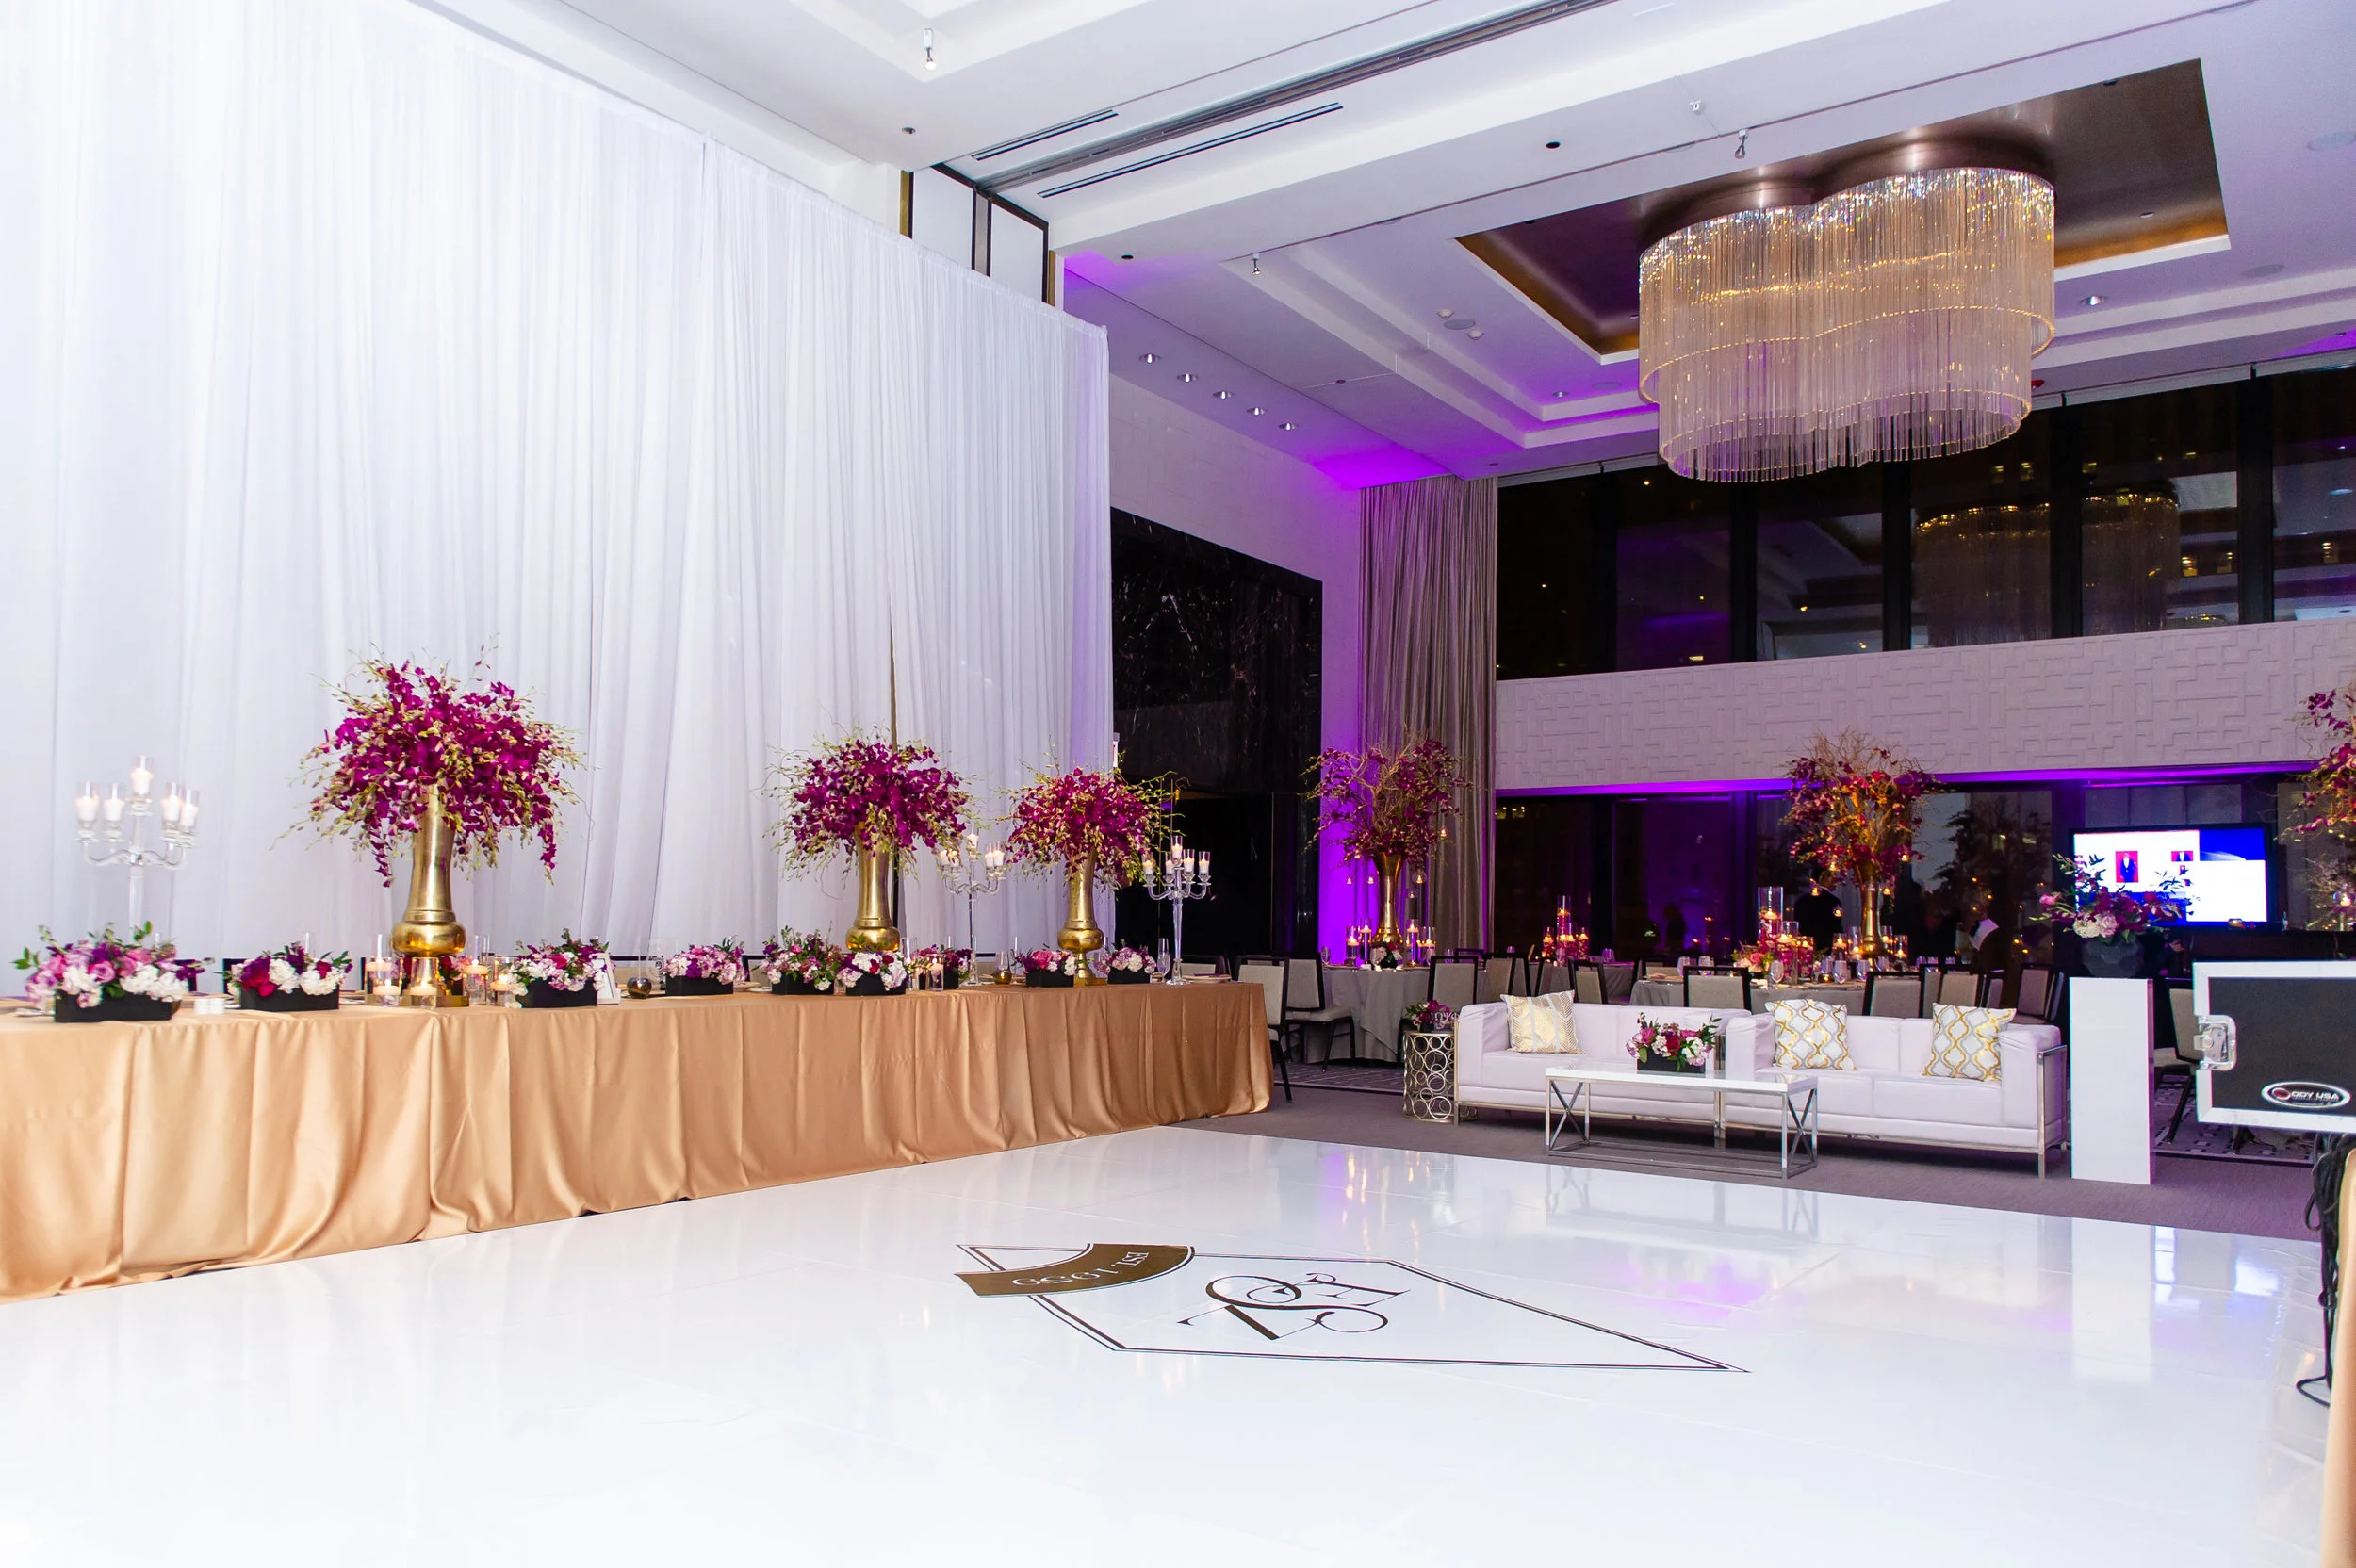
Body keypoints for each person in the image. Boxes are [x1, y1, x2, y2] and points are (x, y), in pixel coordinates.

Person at [1792, 882, 1844, 953]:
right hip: (1828, 948)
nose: (1836, 881)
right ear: (1825, 877)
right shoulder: (1833, 901)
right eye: (1833, 876)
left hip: (1804, 949)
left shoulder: (1801, 900)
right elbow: (1837, 928)